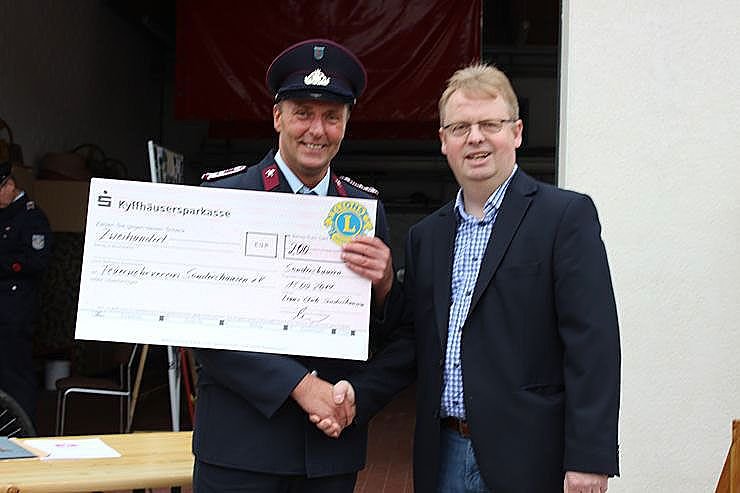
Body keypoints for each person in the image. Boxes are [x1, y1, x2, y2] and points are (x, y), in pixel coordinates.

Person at [327, 63, 621, 492]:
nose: (475, 138)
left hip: (531, 458)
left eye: (490, 124)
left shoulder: (564, 218)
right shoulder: (427, 237)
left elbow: (593, 345)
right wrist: (359, 393)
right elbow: (415, 342)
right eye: (460, 127)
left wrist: (589, 459)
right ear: (443, 141)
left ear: (516, 132)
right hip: (444, 454)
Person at [192, 39, 396, 492]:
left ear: (346, 123)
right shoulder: (226, 198)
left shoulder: (365, 210)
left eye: (332, 116)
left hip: (328, 451)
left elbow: (385, 334)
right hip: (241, 450)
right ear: (277, 117)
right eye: (303, 113)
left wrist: (384, 285)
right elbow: (200, 326)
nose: (317, 130)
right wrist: (302, 386)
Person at [0, 160, 52, 423]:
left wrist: (5, 264)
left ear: (9, 185)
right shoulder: (5, 212)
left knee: (15, 372)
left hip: (16, 308)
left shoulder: (31, 217)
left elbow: (37, 261)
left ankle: (22, 428)